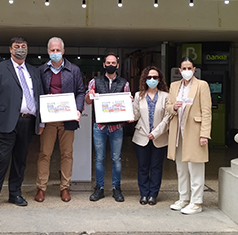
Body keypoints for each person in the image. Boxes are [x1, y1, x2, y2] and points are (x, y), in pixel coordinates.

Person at [0, 37, 43, 211]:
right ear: (10, 49)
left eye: (24, 46)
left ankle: (15, 193)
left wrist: (41, 122)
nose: (20, 49)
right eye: (17, 47)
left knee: (20, 160)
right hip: (6, 122)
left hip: (27, 121)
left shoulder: (34, 71)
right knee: (1, 160)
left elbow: (39, 96)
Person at [35, 37, 85, 203]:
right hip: (48, 120)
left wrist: (78, 109)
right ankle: (41, 188)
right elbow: (37, 94)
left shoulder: (74, 70)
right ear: (48, 51)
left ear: (63, 51)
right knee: (44, 154)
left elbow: (80, 91)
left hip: (67, 120)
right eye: (52, 50)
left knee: (67, 154)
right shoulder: (41, 70)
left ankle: (65, 187)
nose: (55, 53)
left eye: (58, 50)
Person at [166, 57, 212, 215]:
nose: (186, 71)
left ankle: (196, 202)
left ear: (194, 70)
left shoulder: (201, 85)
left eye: (189, 68)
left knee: (196, 168)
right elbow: (168, 107)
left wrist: (204, 134)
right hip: (178, 133)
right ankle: (183, 198)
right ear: (179, 70)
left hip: (195, 132)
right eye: (183, 68)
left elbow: (206, 111)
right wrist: (174, 107)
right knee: (181, 168)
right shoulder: (174, 86)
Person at [85, 52, 130, 202]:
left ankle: (117, 188)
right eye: (108, 63)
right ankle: (100, 188)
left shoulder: (124, 83)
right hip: (100, 126)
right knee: (99, 158)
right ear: (104, 65)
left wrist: (128, 101)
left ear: (117, 65)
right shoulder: (94, 82)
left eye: (113, 63)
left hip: (117, 127)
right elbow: (88, 101)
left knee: (116, 159)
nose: (111, 65)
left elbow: (127, 104)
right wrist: (89, 95)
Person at [132, 66, 171, 205]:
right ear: (145, 79)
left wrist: (155, 133)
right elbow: (135, 116)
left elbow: (167, 117)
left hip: (159, 137)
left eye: (155, 77)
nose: (152, 80)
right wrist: (128, 106)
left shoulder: (166, 96)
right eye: (149, 77)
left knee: (156, 167)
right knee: (143, 167)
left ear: (159, 79)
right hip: (141, 136)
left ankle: (153, 194)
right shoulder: (138, 95)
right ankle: (144, 194)